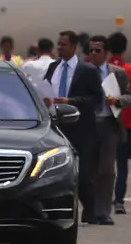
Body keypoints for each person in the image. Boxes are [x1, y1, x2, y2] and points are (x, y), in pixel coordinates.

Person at [44, 31, 104, 224]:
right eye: (58, 44)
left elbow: (96, 99)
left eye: (63, 44)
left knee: (85, 173)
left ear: (73, 47)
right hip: (58, 128)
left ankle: (91, 209)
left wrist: (70, 101)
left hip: (82, 128)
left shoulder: (87, 70)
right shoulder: (53, 68)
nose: (59, 47)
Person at [84, 35, 131, 225]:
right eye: (91, 50)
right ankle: (90, 209)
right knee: (88, 171)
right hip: (88, 125)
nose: (93, 54)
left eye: (97, 50)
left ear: (106, 53)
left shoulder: (117, 73)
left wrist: (118, 101)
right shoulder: (83, 72)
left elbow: (130, 96)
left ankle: (103, 212)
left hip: (109, 124)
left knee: (106, 170)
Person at [107, 31, 131, 215]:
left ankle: (101, 199)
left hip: (105, 123)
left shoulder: (101, 69)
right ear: (125, 49)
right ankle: (119, 200)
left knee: (102, 165)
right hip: (126, 123)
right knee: (122, 165)